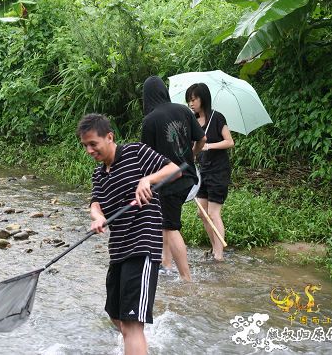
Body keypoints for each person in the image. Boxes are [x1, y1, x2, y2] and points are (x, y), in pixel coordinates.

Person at [77, 113, 180, 355]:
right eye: (85, 146)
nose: (90, 150)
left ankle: (137, 342)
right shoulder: (99, 174)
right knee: (116, 318)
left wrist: (147, 180)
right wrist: (98, 217)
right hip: (118, 251)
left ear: (109, 137)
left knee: (132, 325)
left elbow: (174, 169)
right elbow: (95, 203)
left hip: (143, 247)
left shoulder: (136, 152)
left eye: (93, 144)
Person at [141, 76, 206, 282]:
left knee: (171, 227)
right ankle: (165, 264)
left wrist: (145, 181)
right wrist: (192, 155)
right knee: (166, 222)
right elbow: (202, 138)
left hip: (168, 181)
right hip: (188, 175)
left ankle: (186, 278)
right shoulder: (184, 110)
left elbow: (146, 157)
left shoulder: (150, 120)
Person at [185, 83, 234, 262]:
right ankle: (215, 248)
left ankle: (219, 256)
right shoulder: (193, 120)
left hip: (218, 171)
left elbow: (229, 142)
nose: (191, 103)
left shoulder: (217, 118)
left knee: (213, 213)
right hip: (202, 172)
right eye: (189, 100)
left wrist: (209, 145)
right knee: (201, 213)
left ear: (203, 99)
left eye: (194, 99)